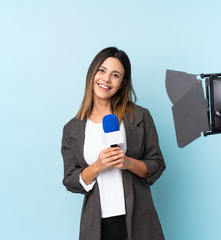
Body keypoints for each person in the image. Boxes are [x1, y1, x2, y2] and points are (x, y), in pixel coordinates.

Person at [61, 47, 166, 240]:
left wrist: (127, 163)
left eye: (115, 75)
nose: (106, 79)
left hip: (139, 220)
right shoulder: (72, 129)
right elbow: (70, 180)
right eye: (102, 71)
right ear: (92, 73)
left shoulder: (139, 116)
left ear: (122, 83)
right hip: (97, 225)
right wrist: (97, 167)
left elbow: (157, 164)